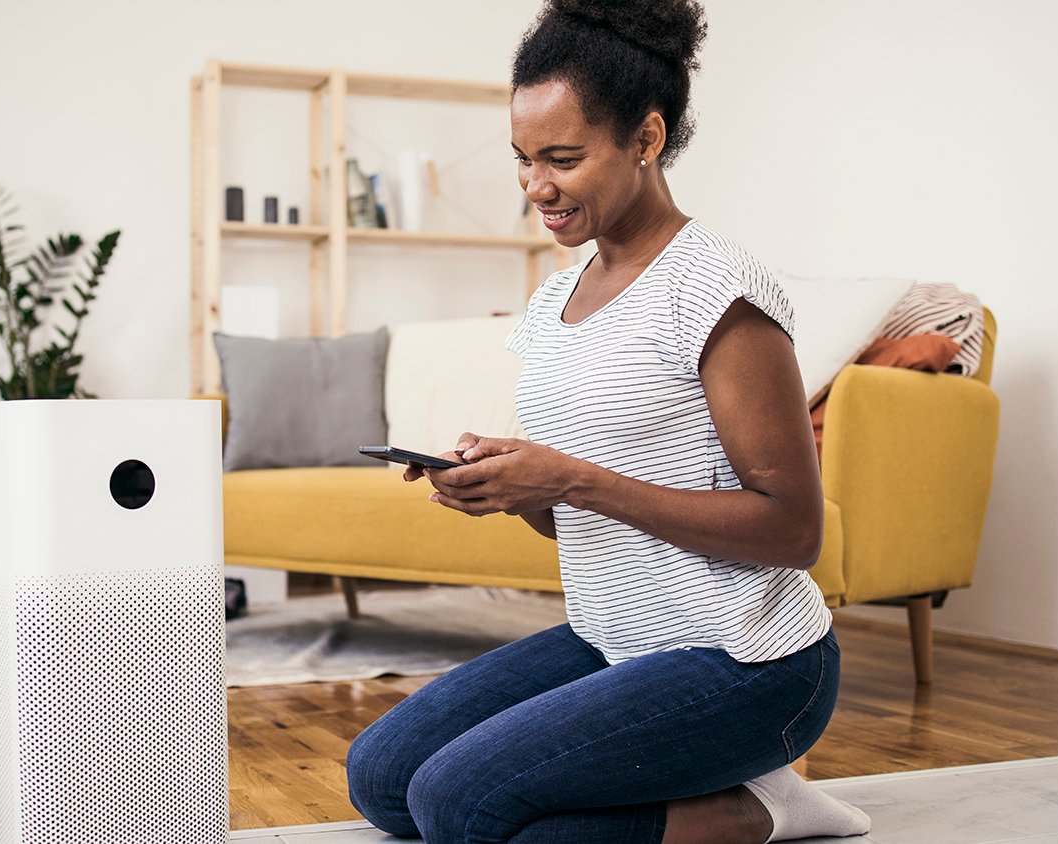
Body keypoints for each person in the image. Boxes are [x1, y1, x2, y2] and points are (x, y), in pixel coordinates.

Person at [345, 1, 875, 842]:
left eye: (563, 158)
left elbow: (794, 530)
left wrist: (569, 476)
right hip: (614, 638)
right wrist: (514, 488)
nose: (535, 187)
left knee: (457, 806)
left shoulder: (718, 291)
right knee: (381, 779)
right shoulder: (556, 299)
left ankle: (762, 809)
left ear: (647, 138)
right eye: (523, 160)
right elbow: (581, 523)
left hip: (747, 662)